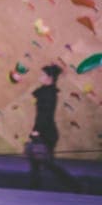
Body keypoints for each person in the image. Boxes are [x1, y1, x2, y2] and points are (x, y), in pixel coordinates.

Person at [28, 64, 80, 192]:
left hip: (47, 132)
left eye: (43, 75)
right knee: (36, 160)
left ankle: (75, 186)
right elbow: (42, 114)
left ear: (49, 78)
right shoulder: (47, 92)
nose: (40, 77)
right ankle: (35, 186)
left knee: (47, 163)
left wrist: (36, 131)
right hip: (45, 130)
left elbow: (44, 115)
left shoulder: (48, 94)